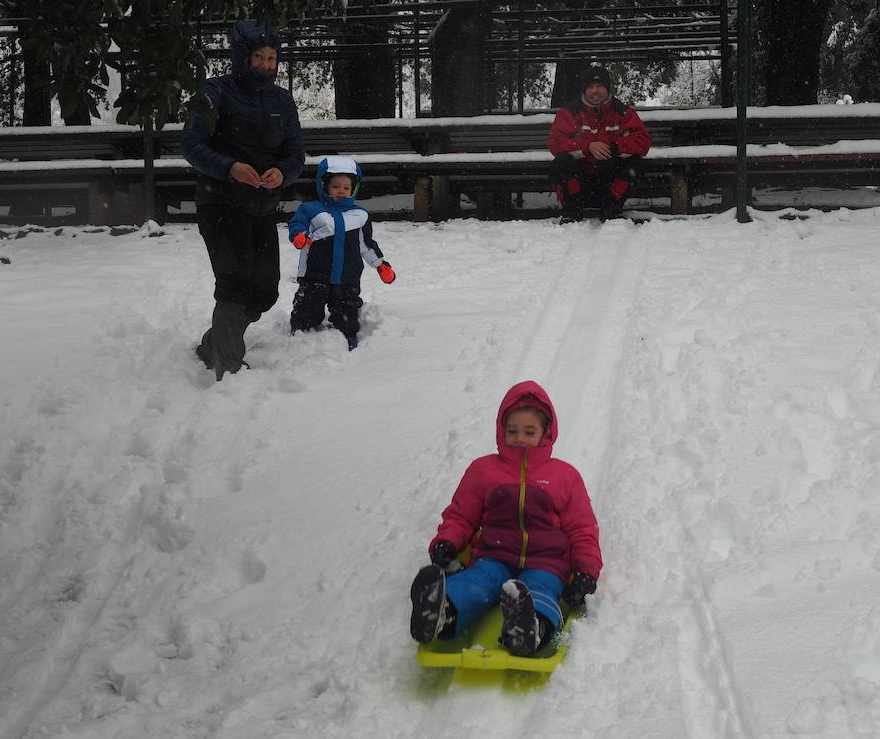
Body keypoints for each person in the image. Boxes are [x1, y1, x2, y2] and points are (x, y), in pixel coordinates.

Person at [409, 380, 602, 657]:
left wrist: (586, 571)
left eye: (529, 431)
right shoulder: (483, 470)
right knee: (477, 582)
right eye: (512, 431)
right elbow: (461, 514)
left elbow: (582, 529)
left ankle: (530, 627)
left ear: (546, 434)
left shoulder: (565, 476)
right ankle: (442, 612)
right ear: (501, 430)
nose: (520, 438)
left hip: (547, 561)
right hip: (494, 555)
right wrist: (447, 542)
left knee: (540, 590)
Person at [183, 20, 305, 380]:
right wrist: (230, 168)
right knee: (234, 283)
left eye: (272, 58)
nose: (267, 64)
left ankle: (213, 343)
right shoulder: (214, 92)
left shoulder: (283, 100)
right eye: (259, 57)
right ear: (242, 58)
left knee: (264, 290)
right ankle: (228, 365)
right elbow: (191, 145)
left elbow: (295, 152)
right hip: (219, 202)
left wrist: (284, 172)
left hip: (263, 206)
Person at [287, 155, 395, 351]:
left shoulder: (360, 215)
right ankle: (300, 336)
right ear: (324, 185)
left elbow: (366, 244)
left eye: (346, 187)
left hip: (348, 276)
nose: (342, 192)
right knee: (308, 307)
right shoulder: (311, 209)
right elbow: (297, 224)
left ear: (354, 189)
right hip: (315, 273)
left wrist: (380, 265)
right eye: (336, 186)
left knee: (347, 308)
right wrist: (299, 236)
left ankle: (348, 334)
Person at [547, 65, 652, 222]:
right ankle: (572, 211)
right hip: (580, 182)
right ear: (583, 90)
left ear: (608, 89)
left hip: (609, 182)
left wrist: (615, 147)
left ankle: (611, 209)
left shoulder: (623, 112)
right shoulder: (569, 113)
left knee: (636, 164)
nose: (595, 91)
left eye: (599, 86)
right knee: (560, 163)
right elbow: (555, 143)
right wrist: (587, 146)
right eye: (590, 87)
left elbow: (643, 141)